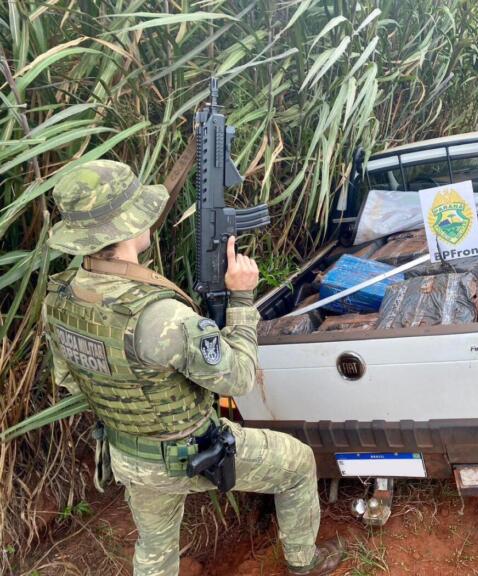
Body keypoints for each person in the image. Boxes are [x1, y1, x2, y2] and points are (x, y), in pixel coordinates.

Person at [42, 160, 344, 576]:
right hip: (190, 453)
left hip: (127, 452)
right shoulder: (159, 317)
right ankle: (303, 561)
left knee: (155, 546)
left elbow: (70, 380)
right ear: (129, 227)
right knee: (297, 464)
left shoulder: (60, 298)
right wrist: (241, 300)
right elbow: (238, 376)